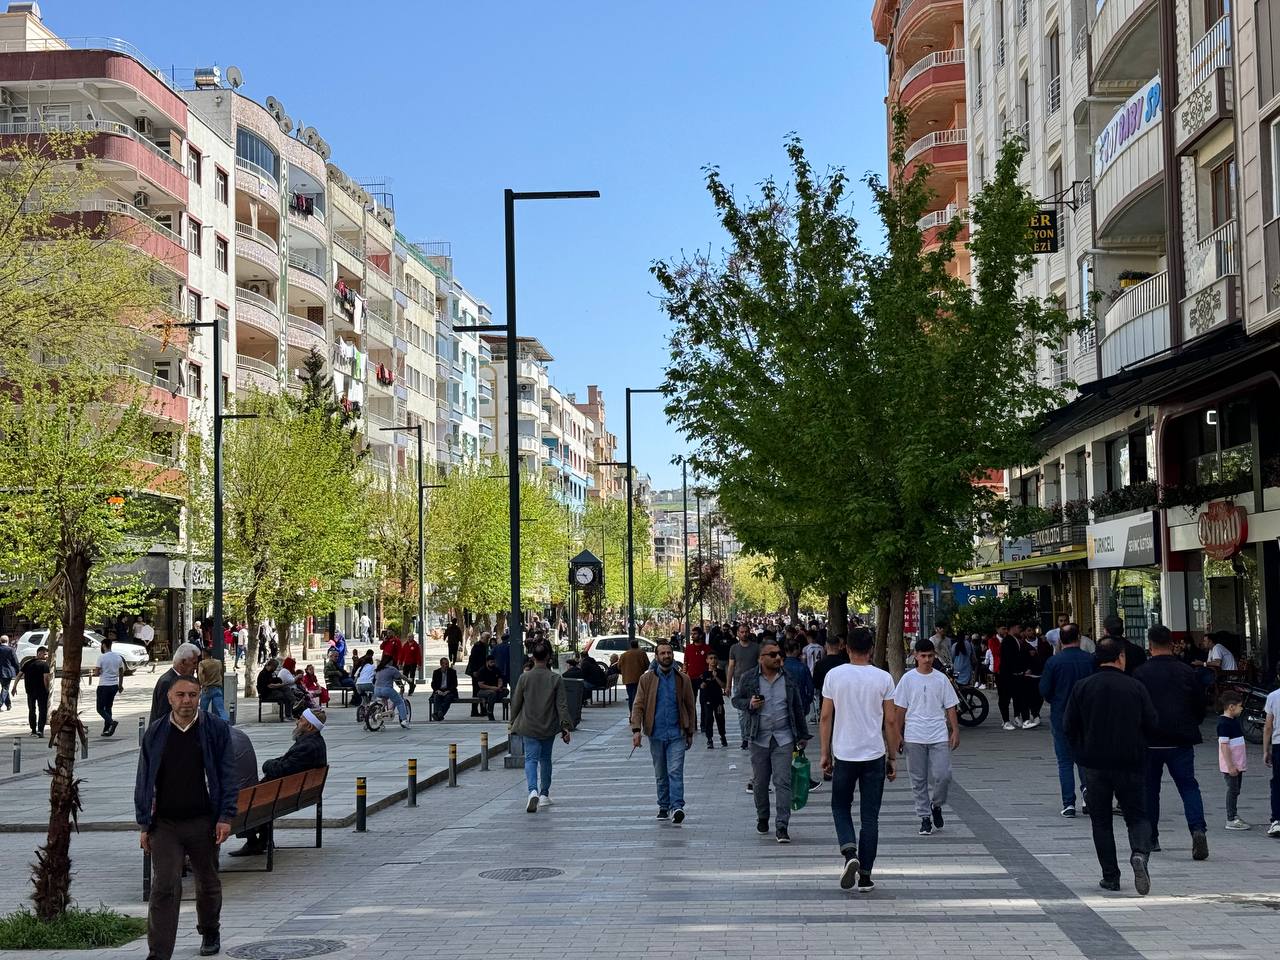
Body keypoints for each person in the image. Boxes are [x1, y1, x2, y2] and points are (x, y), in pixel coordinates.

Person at [134, 675, 236, 960]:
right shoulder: (155, 733)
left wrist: (226, 816)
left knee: (208, 881)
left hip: (203, 820)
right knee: (164, 886)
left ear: (200, 696)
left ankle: (210, 929)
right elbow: (144, 779)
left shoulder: (215, 729)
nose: (186, 701)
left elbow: (228, 774)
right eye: (180, 695)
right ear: (169, 698)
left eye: (192, 695)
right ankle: (159, 952)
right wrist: (144, 824)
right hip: (165, 823)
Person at [1063, 639, 1158, 894]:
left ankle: (1110, 876)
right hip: (1130, 761)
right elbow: (1152, 722)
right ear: (1120, 657)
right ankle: (1139, 853)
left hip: (1094, 764)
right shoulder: (1135, 686)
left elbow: (1068, 726)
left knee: (1101, 821)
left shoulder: (1082, 687)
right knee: (1137, 815)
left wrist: (1081, 751)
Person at [820, 627, 897, 892]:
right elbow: (890, 720)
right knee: (870, 817)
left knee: (840, 806)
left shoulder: (834, 675)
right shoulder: (883, 678)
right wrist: (893, 756)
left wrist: (824, 752)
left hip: (844, 754)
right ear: (871, 649)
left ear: (847, 648)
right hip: (874, 754)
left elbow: (826, 717)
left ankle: (849, 852)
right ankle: (865, 876)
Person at [1133, 624, 1208, 860]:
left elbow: (1135, 708)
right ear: (1172, 644)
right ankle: (1197, 829)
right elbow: (1200, 705)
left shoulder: (1140, 673)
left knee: (1149, 790)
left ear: (1150, 645)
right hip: (1180, 740)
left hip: (1150, 741)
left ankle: (1151, 837)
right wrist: (1191, 722)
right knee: (1189, 787)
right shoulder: (1186, 671)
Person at [732, 638, 811, 843]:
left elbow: (797, 707)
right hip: (758, 737)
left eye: (779, 654)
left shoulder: (788, 678)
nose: (778, 658)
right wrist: (749, 704)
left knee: (783, 781)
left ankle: (782, 826)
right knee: (760, 783)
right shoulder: (749, 678)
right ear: (761, 658)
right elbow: (736, 700)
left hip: (783, 738)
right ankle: (763, 816)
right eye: (773, 655)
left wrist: (802, 735)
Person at [893, 638, 959, 836]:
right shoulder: (907, 679)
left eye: (930, 656)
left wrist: (955, 730)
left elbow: (950, 706)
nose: (927, 660)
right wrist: (897, 734)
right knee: (918, 779)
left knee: (943, 775)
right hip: (914, 735)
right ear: (916, 656)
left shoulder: (941, 679)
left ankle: (936, 805)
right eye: (923, 656)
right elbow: (900, 710)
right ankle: (924, 817)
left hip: (938, 733)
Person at [631, 641, 695, 824]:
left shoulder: (683, 679)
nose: (667, 656)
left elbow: (690, 706)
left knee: (675, 771)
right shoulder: (646, 679)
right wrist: (636, 730)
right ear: (656, 656)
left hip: (677, 733)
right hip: (656, 733)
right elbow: (638, 705)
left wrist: (690, 731)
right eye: (663, 653)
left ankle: (677, 807)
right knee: (661, 773)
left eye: (669, 653)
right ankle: (663, 806)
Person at [1039, 623, 1095, 816]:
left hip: (1061, 714)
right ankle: (1088, 794)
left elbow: (1044, 689)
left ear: (1060, 641)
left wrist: (1055, 700)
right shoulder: (1090, 660)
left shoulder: (1054, 662)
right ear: (1079, 638)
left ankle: (1068, 803)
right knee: (1085, 759)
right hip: (1086, 716)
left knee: (1064, 761)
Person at [510, 641, 572, 812]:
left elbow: (516, 702)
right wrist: (565, 727)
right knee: (545, 759)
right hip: (548, 725)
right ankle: (544, 794)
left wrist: (512, 722)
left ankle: (532, 791)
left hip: (528, 725)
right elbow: (562, 705)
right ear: (548, 657)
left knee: (531, 759)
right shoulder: (555, 678)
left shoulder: (524, 678)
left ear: (533, 657)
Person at [1217, 691, 1249, 830]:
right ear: (1231, 707)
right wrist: (1230, 765)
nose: (1241, 709)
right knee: (1233, 790)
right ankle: (1231, 818)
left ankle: (1234, 815)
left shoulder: (1233, 721)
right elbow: (1224, 745)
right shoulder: (1224, 724)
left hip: (1238, 764)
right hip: (1232, 765)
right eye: (1240, 706)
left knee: (1236, 790)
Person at [726, 623, 761, 750]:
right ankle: (744, 737)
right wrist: (728, 685)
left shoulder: (756, 647)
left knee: (755, 711)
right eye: (742, 632)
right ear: (738, 633)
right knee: (741, 713)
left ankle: (753, 735)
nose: (744, 634)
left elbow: (760, 665)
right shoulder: (734, 648)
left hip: (754, 684)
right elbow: (731, 666)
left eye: (746, 631)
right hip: (738, 684)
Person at [150, 644, 201, 725]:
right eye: (194, 663)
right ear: (183, 662)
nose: (196, 667)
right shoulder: (167, 682)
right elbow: (164, 715)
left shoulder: (177, 680)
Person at [92, 636, 126, 736]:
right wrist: (120, 685)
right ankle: (107, 729)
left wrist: (96, 672)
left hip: (104, 685)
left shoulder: (102, 657)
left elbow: (97, 672)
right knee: (108, 707)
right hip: (114, 685)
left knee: (100, 708)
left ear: (103, 645)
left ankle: (111, 722)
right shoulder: (118, 657)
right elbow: (121, 671)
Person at [997, 623, 1028, 730]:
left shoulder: (1016, 640)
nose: (1020, 630)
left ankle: (1017, 716)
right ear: (1013, 628)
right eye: (1019, 628)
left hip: (1015, 674)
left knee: (1018, 697)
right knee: (1005, 698)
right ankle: (1005, 720)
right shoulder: (1007, 641)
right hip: (1007, 674)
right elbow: (1009, 659)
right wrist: (1016, 670)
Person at [19, 645, 52, 737]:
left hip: (30, 691)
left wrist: (14, 686)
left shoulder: (27, 663)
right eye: (45, 654)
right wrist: (47, 688)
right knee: (42, 710)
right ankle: (40, 730)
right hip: (41, 691)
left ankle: (33, 730)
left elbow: (19, 675)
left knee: (31, 710)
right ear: (39, 653)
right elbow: (46, 678)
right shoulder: (45, 665)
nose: (46, 656)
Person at [699, 652, 728, 748]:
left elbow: (724, 686)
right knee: (708, 719)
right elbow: (701, 685)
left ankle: (722, 736)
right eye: (711, 658)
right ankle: (709, 739)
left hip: (718, 700)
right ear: (707, 660)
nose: (713, 660)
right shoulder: (704, 673)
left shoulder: (721, 672)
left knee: (720, 719)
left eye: (715, 658)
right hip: (707, 700)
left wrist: (716, 677)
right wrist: (702, 685)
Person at [781, 637, 815, 719]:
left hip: (783, 703)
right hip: (801, 701)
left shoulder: (780, 667)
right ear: (796, 650)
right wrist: (808, 700)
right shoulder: (803, 667)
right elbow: (810, 688)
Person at [373, 654, 410, 729]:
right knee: (400, 702)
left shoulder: (378, 668)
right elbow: (401, 676)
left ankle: (381, 718)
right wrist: (408, 681)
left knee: (384, 703)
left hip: (376, 690)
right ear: (390, 661)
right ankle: (404, 720)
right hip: (386, 689)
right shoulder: (391, 669)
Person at [683, 627, 710, 718]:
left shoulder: (707, 648)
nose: (692, 636)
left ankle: (704, 723)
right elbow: (685, 662)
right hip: (691, 678)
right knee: (691, 702)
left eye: (695, 634)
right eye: (692, 634)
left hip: (703, 679)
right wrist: (684, 675)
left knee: (704, 702)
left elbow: (710, 663)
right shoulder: (688, 648)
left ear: (701, 635)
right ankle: (692, 722)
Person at [472, 654, 508, 721]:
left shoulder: (496, 669)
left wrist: (499, 686)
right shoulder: (482, 671)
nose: (493, 664)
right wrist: (493, 688)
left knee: (506, 691)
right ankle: (490, 712)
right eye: (491, 662)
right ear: (487, 662)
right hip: (483, 690)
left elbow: (500, 679)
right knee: (492, 693)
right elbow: (481, 685)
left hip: (495, 690)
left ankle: (490, 699)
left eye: (494, 662)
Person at [1265, 685, 1280, 837]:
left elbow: (1268, 726)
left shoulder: (1273, 696)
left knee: (1277, 783)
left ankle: (1277, 820)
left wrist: (1265, 750)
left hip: (1278, 744)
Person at [619, 638, 650, 712]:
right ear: (637, 645)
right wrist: (642, 670)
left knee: (630, 697)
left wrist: (625, 672)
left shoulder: (624, 655)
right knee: (637, 696)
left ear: (630, 645)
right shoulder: (642, 653)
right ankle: (637, 712)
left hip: (627, 679)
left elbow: (619, 666)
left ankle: (631, 713)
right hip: (638, 678)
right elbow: (647, 664)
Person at [465, 633, 490, 716]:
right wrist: (474, 671)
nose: (488, 640)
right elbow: (473, 659)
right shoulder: (477, 646)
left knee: (482, 691)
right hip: (477, 672)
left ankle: (483, 710)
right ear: (483, 638)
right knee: (476, 691)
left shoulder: (484, 646)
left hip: (482, 672)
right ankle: (475, 710)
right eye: (487, 638)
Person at [198, 648, 227, 720]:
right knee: (221, 709)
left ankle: (202, 722)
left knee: (203, 709)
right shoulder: (218, 662)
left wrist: (202, 684)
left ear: (204, 654)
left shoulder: (202, 663)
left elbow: (200, 674)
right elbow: (221, 673)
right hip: (217, 687)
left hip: (207, 688)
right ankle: (225, 721)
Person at [430, 657, 459, 721]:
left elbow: (455, 684)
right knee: (437, 696)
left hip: (449, 691)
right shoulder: (436, 672)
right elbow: (433, 684)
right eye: (445, 664)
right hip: (439, 690)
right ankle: (440, 713)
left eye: (447, 664)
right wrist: (437, 690)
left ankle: (438, 713)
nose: (447, 665)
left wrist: (448, 691)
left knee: (448, 698)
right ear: (441, 664)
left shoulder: (452, 672)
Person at [0, 635, 17, 712]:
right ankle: (1, 703)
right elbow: (15, 661)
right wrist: (18, 670)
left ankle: (8, 704)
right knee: (5, 688)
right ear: (7, 641)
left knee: (4, 688)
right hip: (7, 672)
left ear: (0, 641)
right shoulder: (10, 649)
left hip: (2, 672)